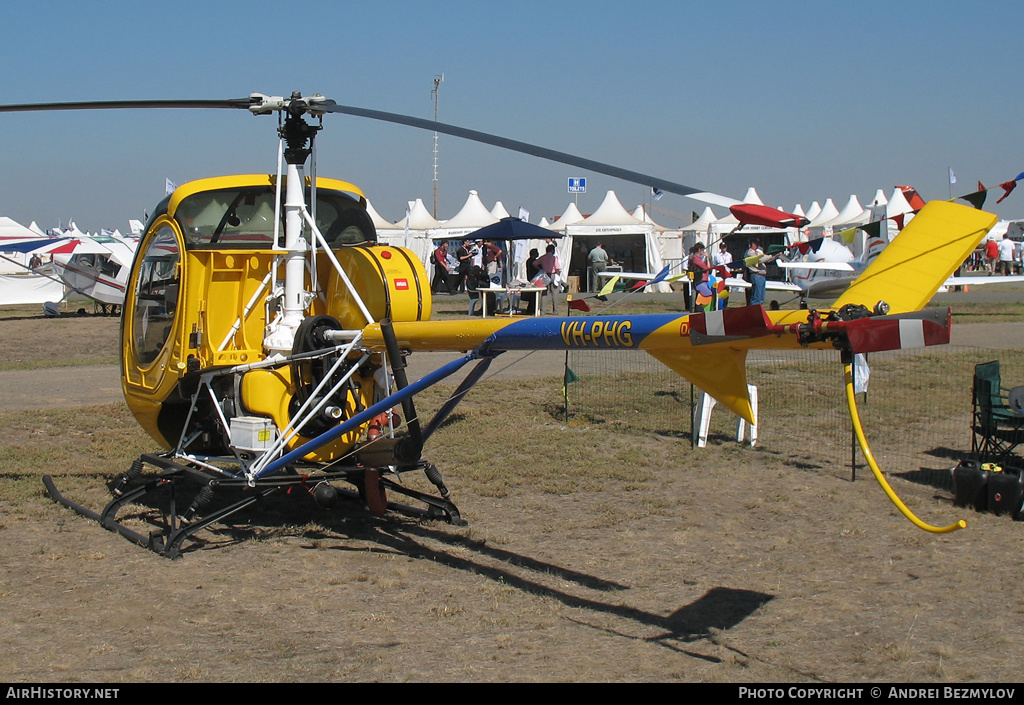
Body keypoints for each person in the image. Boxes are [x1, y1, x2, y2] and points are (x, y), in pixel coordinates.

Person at [535, 243, 561, 314]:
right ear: (552, 250)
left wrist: (541, 269)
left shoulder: (543, 257)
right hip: (553, 274)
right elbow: (557, 268)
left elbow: (534, 263)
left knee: (544, 293)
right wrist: (558, 275)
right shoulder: (553, 258)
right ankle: (555, 311)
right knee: (554, 293)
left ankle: (542, 310)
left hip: (545, 275)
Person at [744, 238, 770, 306]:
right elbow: (759, 260)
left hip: (762, 276)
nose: (757, 245)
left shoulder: (758, 252)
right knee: (756, 298)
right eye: (755, 244)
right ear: (752, 244)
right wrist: (770, 255)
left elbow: (766, 258)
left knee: (761, 298)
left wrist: (775, 255)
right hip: (756, 275)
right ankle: (753, 311)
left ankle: (758, 310)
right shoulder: (749, 253)